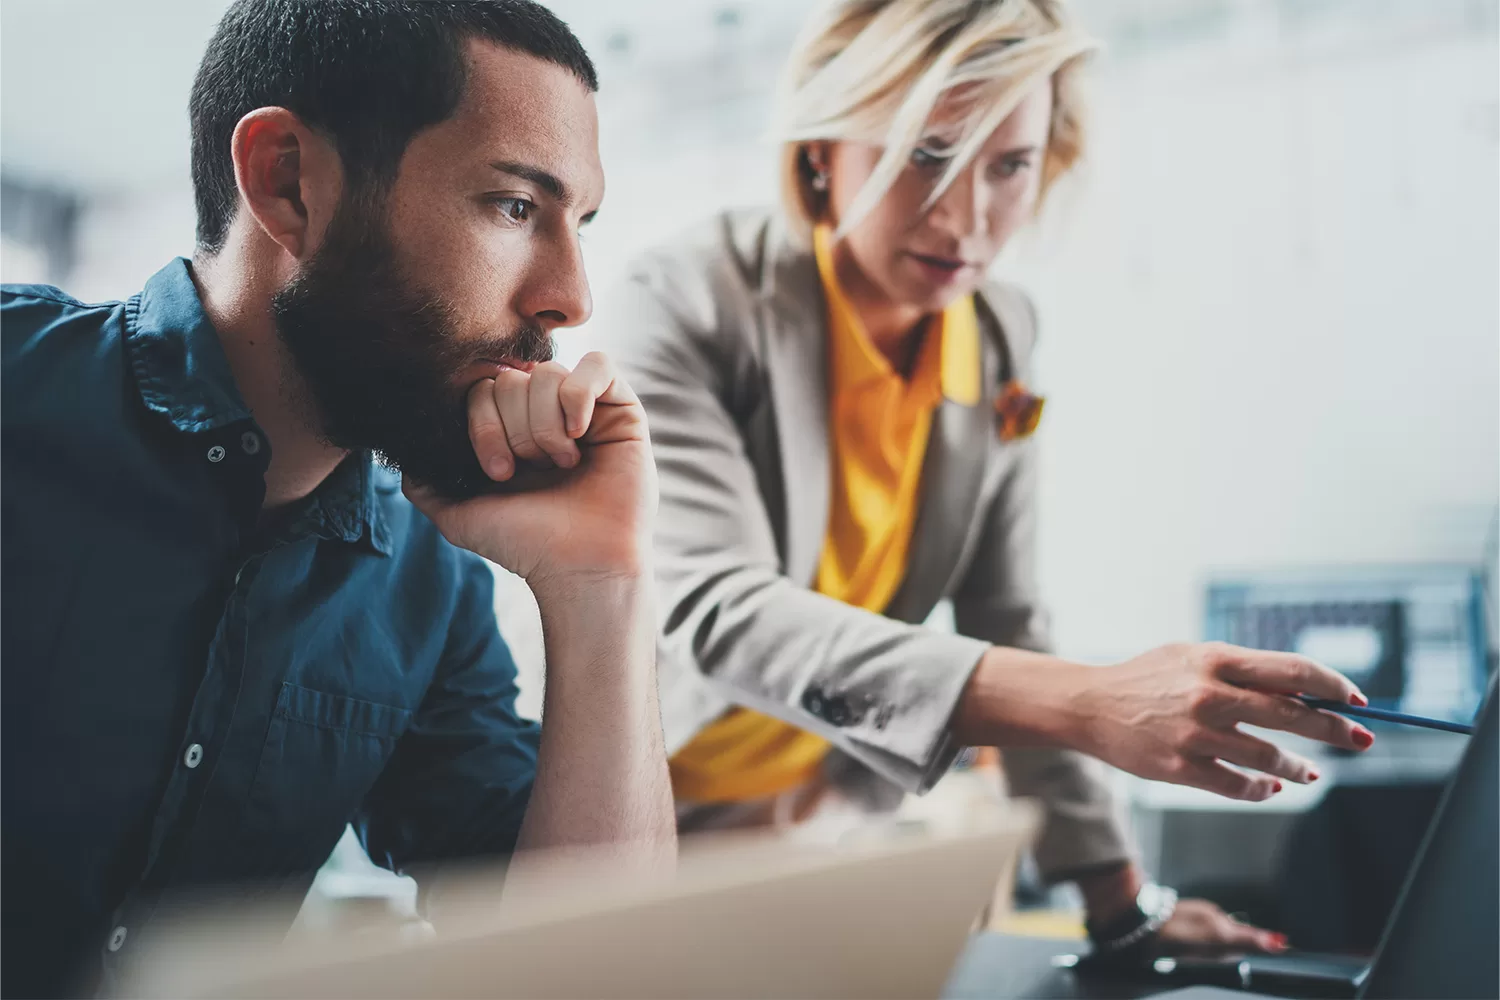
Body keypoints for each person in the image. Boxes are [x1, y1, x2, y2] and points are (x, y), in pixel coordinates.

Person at [599, 0, 1375, 959]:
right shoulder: (686, 303)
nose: (968, 220)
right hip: (634, 816)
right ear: (817, 150)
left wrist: (1120, 901)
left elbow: (1008, 616)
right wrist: (1089, 700)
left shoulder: (999, 335)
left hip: (821, 823)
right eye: (927, 153)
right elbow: (717, 607)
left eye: (1008, 166)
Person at [0, 2, 674, 996]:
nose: (570, 296)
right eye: (514, 208)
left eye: (578, 224)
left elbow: (590, 973)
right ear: (287, 182)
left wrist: (602, 585)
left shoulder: (432, 584)